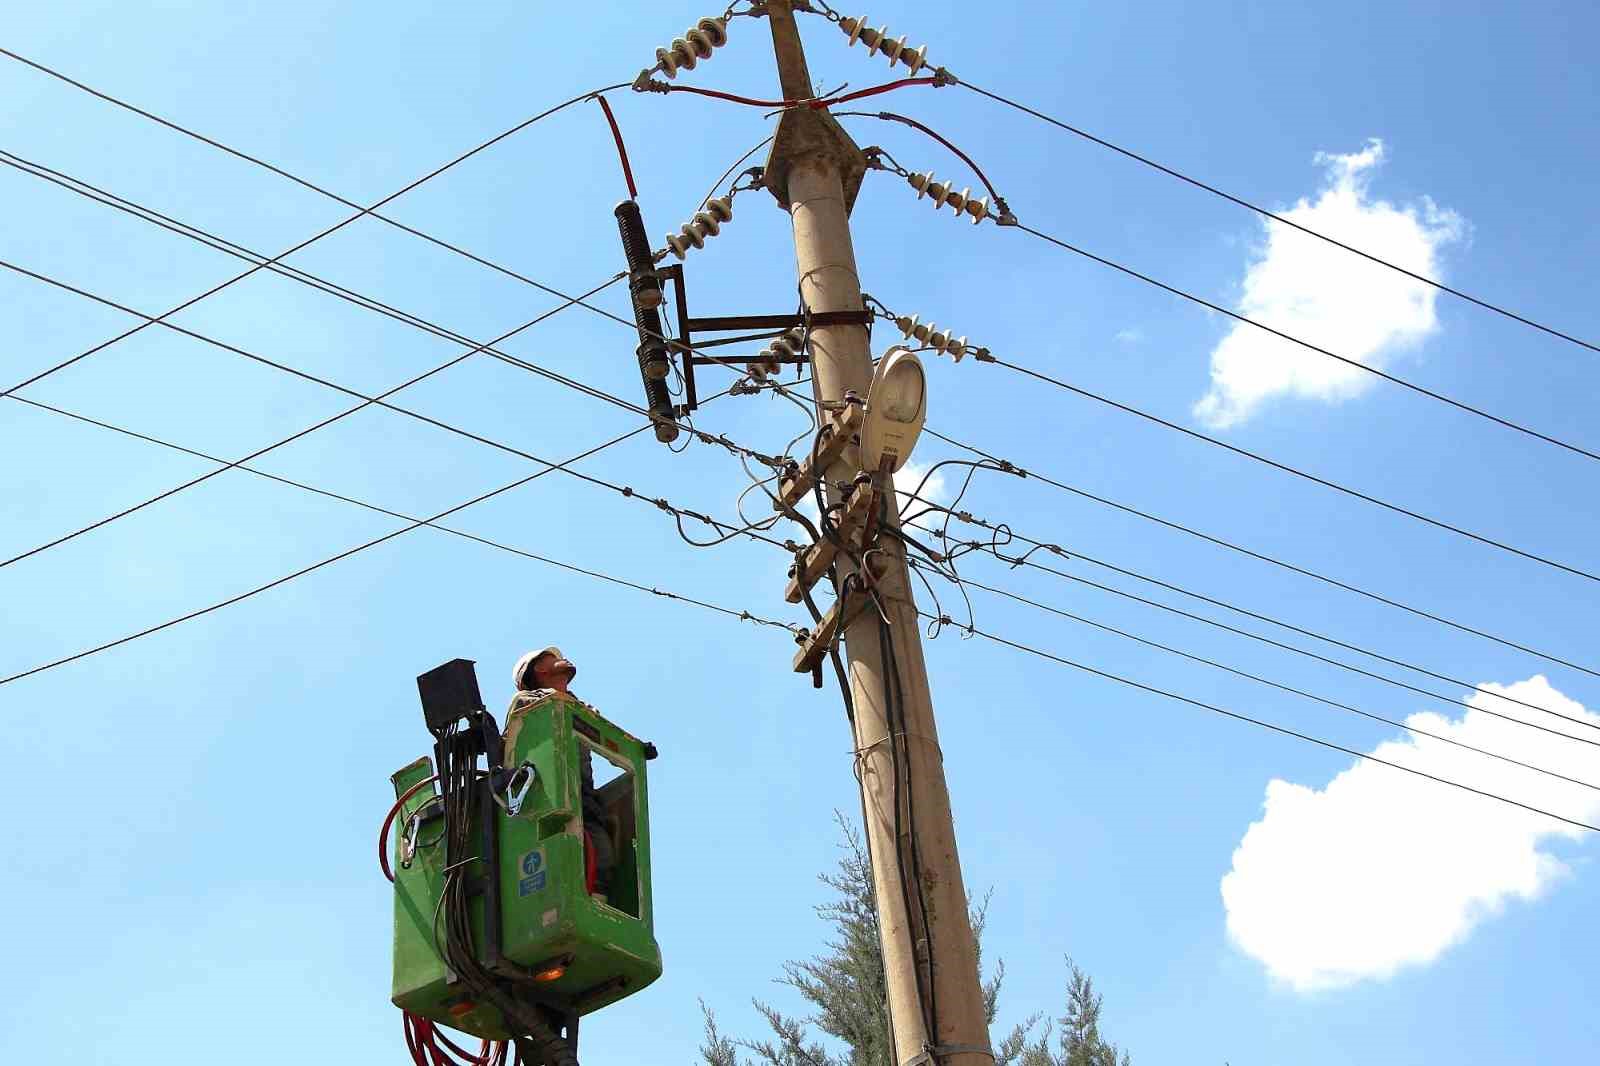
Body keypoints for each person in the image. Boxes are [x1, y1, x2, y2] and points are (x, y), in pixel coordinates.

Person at [509, 647, 614, 900]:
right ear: (538, 669)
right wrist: (578, 709)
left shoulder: (577, 706)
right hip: (546, 798)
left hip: (584, 798)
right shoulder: (525, 701)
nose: (562, 658)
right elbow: (548, 707)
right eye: (552, 658)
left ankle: (594, 905)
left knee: (603, 858)